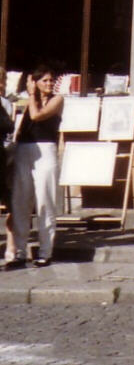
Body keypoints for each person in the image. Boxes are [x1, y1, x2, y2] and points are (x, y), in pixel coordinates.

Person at [7, 67, 64, 268]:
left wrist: (32, 94)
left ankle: (45, 251)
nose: (49, 84)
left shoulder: (57, 100)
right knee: (20, 201)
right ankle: (20, 252)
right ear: (35, 81)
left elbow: (37, 115)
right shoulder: (28, 99)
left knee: (44, 200)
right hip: (24, 149)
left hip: (45, 148)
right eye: (45, 81)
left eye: (51, 80)